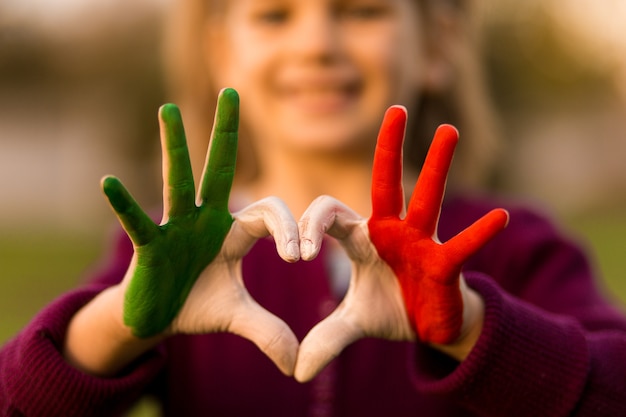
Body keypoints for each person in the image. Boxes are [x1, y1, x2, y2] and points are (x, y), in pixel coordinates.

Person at [1, 1, 626, 416]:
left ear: (436, 45)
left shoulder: (517, 249)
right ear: (222, 52)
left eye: (362, 10)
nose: (318, 44)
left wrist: (469, 325)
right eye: (275, 15)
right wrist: (117, 325)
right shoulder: (173, 256)